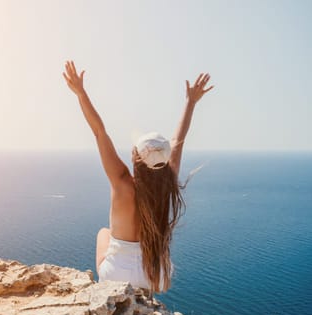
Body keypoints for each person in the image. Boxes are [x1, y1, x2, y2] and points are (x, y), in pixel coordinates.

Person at [62, 61, 213, 293]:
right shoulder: (168, 181)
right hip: (156, 275)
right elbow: (178, 139)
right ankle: (146, 303)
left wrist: (80, 93)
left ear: (136, 158)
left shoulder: (122, 182)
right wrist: (190, 102)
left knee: (104, 233)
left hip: (117, 275)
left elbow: (99, 132)